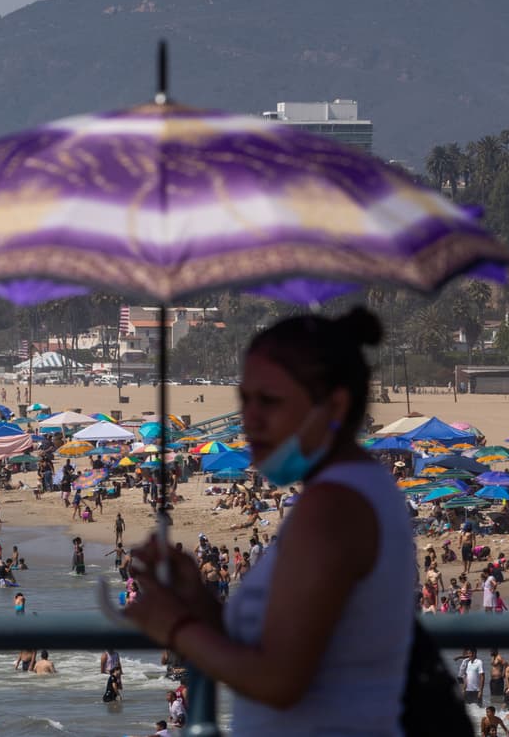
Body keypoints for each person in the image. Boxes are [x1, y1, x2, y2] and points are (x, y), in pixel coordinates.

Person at [123, 309, 413, 734]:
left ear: (333, 405)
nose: (250, 419)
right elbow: (290, 644)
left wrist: (177, 627)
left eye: (270, 401)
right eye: (245, 400)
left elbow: (280, 681)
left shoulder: (333, 507)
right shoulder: (355, 488)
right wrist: (199, 599)